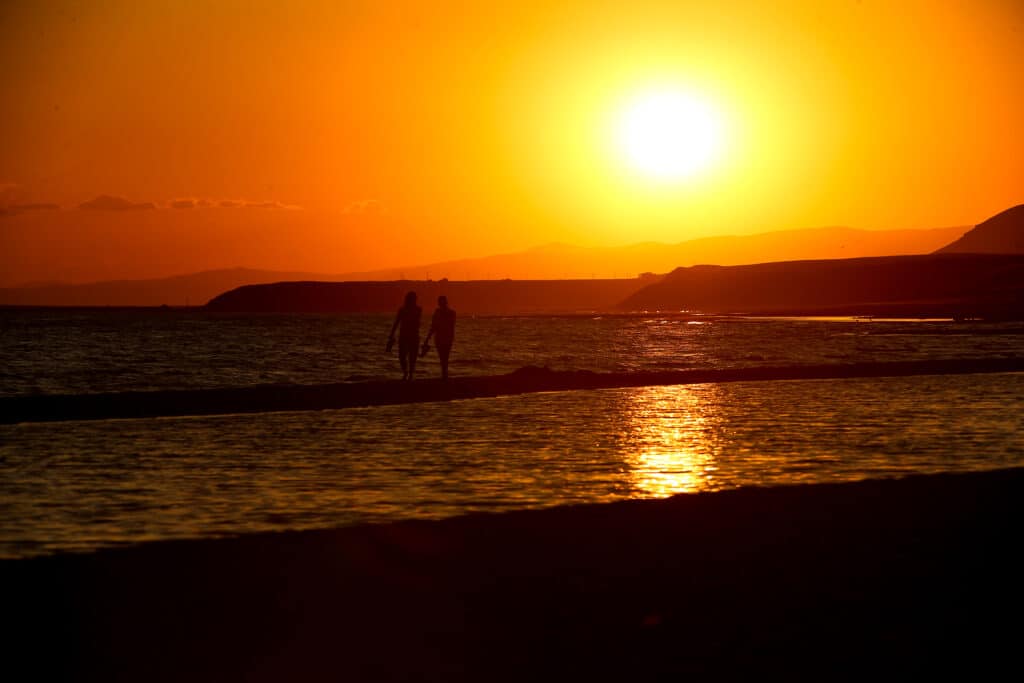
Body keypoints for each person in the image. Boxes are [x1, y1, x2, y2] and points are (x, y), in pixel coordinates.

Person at [387, 291, 422, 380]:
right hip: (404, 335)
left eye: (414, 298)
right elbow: (397, 321)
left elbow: (417, 322)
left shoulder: (418, 309)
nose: (413, 300)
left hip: (414, 335)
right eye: (412, 298)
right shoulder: (402, 309)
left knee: (412, 356)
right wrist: (392, 333)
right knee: (402, 356)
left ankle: (410, 373)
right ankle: (406, 371)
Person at [422, 295, 456, 380]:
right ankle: (444, 374)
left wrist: (427, 338)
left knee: (444, 357)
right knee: (444, 357)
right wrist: (427, 338)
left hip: (444, 338)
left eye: (440, 301)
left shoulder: (449, 313)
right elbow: (434, 326)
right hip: (443, 338)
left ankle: (444, 374)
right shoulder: (449, 312)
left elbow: (435, 326)